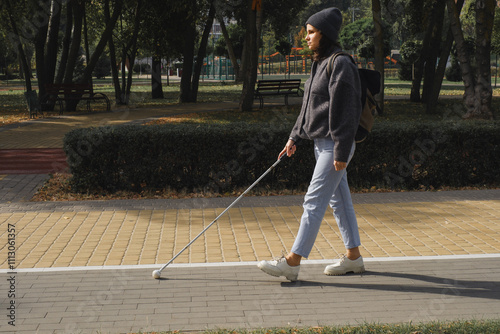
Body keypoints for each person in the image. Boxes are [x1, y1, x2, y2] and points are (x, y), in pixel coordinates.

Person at [257, 7, 364, 281]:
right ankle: (354, 258)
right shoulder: (320, 63)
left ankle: (292, 263)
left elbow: (346, 111)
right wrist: (294, 136)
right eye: (307, 32)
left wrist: (340, 150)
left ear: (324, 34)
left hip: (334, 146)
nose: (307, 37)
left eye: (312, 32)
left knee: (313, 200)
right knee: (339, 202)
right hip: (320, 144)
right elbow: (308, 107)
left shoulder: (340, 64)